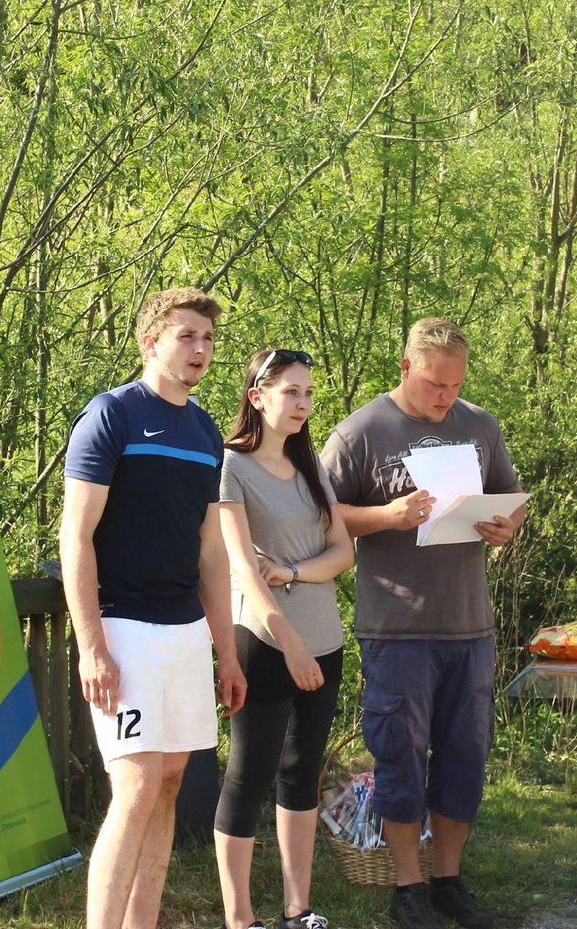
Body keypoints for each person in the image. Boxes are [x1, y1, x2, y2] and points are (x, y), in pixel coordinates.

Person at [320, 318, 527, 929]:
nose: (446, 397)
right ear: (406, 367)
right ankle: (407, 886)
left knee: (465, 757)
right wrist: (386, 516)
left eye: (456, 385)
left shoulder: (480, 425)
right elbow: (321, 514)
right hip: (396, 628)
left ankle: (448, 880)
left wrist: (505, 527)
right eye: (436, 384)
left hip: (469, 626)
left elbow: (511, 498)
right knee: (400, 757)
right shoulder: (360, 432)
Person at [59, 287, 247, 929]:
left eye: (208, 338)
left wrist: (227, 655)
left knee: (168, 784)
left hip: (186, 633)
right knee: (136, 786)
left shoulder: (206, 432)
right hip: (122, 628)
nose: (200, 349)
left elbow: (211, 553)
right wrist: (92, 647)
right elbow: (75, 536)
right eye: (186, 335)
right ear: (150, 342)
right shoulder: (111, 414)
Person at [214, 348, 356, 929]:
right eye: (291, 392)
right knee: (249, 777)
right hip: (266, 641)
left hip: (326, 641)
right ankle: (240, 918)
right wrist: (290, 643)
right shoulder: (230, 464)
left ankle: (299, 910)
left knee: (302, 775)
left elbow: (342, 552)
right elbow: (243, 568)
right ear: (257, 396)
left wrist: (296, 570)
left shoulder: (310, 464)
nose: (303, 404)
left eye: (308, 393)